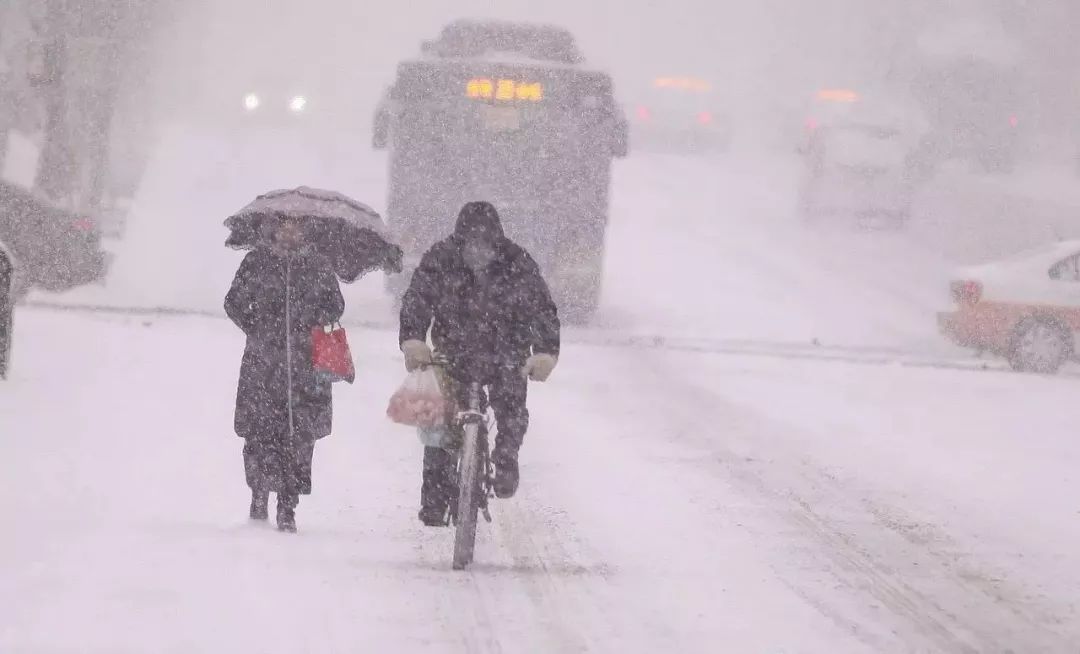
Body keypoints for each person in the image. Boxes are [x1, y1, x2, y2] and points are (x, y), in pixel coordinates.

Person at [398, 201, 560, 526]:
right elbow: (417, 298)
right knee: (435, 418)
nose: (478, 249)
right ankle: (433, 495)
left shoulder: (518, 262)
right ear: (460, 239)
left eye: (484, 242)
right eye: (471, 241)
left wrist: (544, 351)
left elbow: (542, 308)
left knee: (511, 404)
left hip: (506, 352)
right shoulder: (440, 258)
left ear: (496, 240)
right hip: (453, 352)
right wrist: (413, 339)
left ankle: (506, 459)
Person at [225, 216, 345, 532]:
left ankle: (288, 503)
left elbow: (335, 306)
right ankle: (259, 491)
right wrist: (258, 328)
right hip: (263, 363)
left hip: (305, 366)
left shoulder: (319, 265)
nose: (290, 231)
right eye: (285, 224)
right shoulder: (257, 262)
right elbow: (233, 302)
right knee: (260, 430)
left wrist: (310, 325)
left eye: (297, 225)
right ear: (274, 228)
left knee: (300, 435)